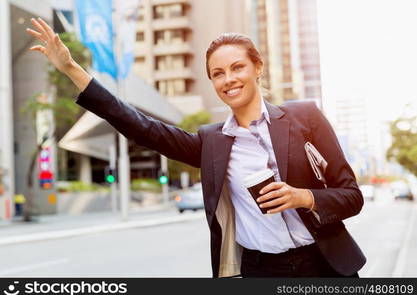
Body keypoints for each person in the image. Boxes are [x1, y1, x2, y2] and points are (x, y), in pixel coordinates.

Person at [26, 17, 366, 278]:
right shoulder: (212, 142)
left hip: (324, 264)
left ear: (257, 67)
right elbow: (140, 127)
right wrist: (71, 68)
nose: (228, 79)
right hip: (262, 270)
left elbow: (352, 196)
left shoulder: (304, 116)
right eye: (217, 74)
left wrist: (303, 197)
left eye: (237, 67)